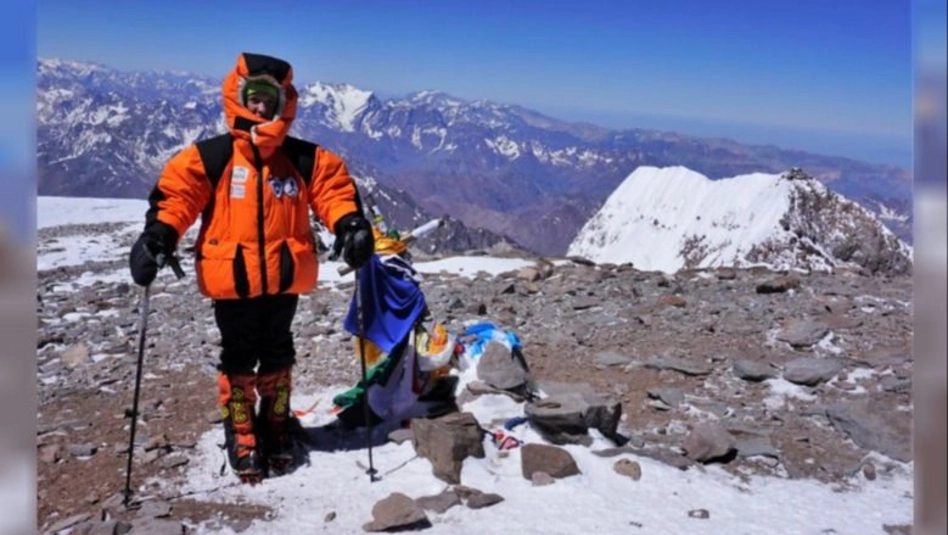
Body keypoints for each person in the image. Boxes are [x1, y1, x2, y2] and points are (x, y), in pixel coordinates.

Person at [128, 52, 375, 484]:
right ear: (238, 96)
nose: (261, 107)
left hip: (282, 280)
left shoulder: (301, 159)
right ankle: (242, 433)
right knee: (239, 358)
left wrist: (350, 223)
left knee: (279, 352)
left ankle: (275, 426)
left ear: (284, 104)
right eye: (254, 96)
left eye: (270, 99)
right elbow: (177, 197)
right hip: (233, 283)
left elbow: (333, 189)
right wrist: (159, 236)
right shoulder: (214, 157)